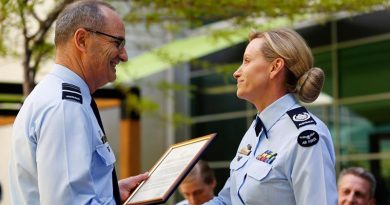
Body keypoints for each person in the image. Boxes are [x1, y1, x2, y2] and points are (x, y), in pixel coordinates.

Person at [9, 1, 148, 204]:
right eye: (117, 43)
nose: (124, 56)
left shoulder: (54, 95)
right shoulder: (65, 106)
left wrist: (111, 193)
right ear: (82, 40)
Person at [204, 28, 338, 205]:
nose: (237, 72)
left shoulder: (306, 135)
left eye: (247, 61)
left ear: (275, 67)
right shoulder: (255, 130)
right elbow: (227, 201)